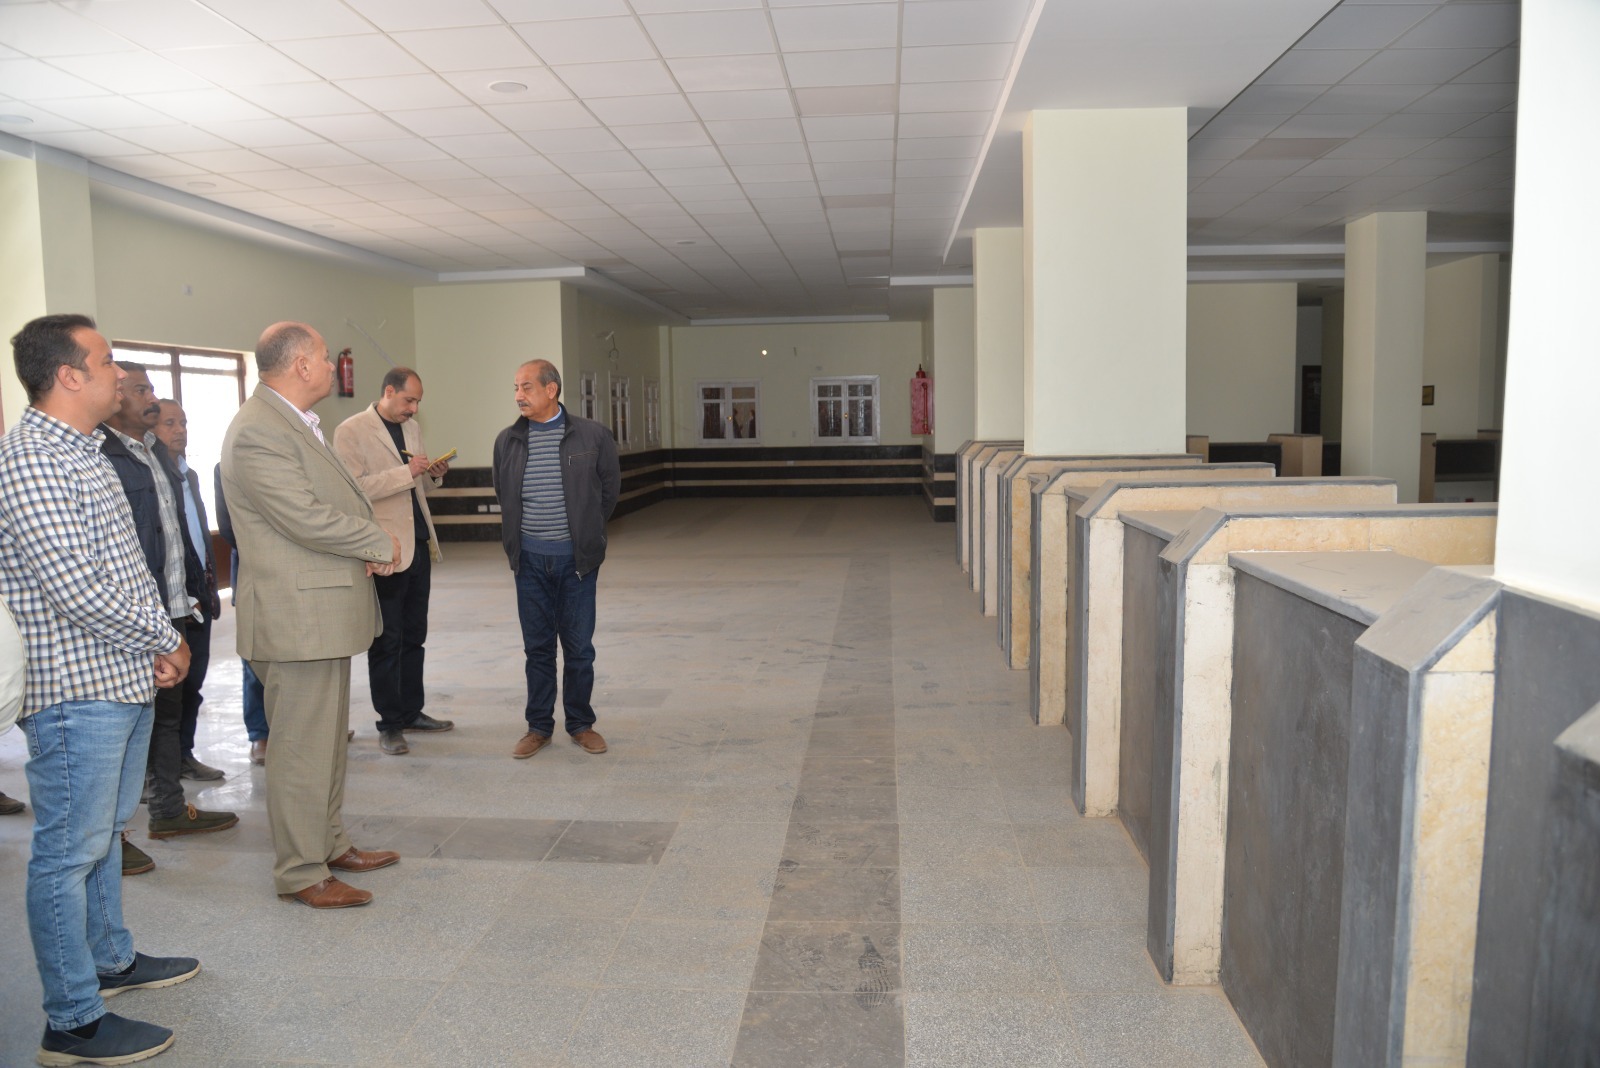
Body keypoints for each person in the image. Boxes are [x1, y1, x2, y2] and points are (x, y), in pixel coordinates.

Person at [0, 313, 199, 1066]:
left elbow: (126, 568)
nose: (121, 374)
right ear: (69, 374)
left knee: (102, 837)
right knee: (67, 852)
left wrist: (156, 642)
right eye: (108, 360)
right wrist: (162, 639)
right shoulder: (31, 459)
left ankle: (111, 961)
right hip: (74, 690)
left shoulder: (86, 449)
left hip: (117, 674)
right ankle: (73, 1020)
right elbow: (75, 586)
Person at [220, 321, 402, 909]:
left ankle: (328, 844)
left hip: (319, 612)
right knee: (300, 750)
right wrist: (376, 541)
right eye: (324, 358)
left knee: (324, 744)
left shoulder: (293, 422)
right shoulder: (258, 430)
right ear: (300, 364)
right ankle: (301, 871)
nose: (331, 367)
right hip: (295, 617)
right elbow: (301, 515)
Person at [100, 367, 237, 853]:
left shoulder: (154, 453)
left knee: (166, 716)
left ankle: (168, 809)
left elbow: (175, 531)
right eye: (141, 391)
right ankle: (108, 839)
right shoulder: (103, 456)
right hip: (134, 614)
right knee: (123, 724)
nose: (152, 400)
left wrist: (192, 592)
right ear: (116, 397)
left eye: (152, 389)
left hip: (172, 607)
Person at [491, 359, 620, 760]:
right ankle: (538, 728)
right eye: (516, 388)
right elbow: (504, 493)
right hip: (529, 562)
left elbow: (609, 492)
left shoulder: (593, 436)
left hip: (576, 563)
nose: (518, 395)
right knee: (538, 650)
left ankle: (581, 724)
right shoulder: (508, 440)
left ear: (551, 390)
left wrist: (586, 532)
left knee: (579, 649)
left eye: (526, 387)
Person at [332, 368, 453, 756]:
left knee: (415, 634)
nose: (414, 409)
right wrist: (406, 472)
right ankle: (389, 723)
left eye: (418, 402)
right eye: (408, 400)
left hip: (419, 544)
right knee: (387, 639)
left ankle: (411, 711)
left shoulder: (411, 428)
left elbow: (416, 484)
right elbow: (353, 489)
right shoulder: (351, 431)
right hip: (385, 549)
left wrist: (432, 475)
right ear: (388, 391)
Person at [152, 400, 225, 781]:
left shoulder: (189, 474)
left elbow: (197, 535)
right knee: (169, 690)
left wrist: (208, 586)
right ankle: (158, 769)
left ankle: (184, 754)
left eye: (183, 422)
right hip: (172, 600)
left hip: (199, 594)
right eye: (169, 423)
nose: (180, 430)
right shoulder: (149, 476)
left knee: (193, 681)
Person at [212, 465, 269, 766]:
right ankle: (260, 733)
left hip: (300, 574)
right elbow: (228, 527)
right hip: (253, 571)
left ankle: (308, 725)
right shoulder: (228, 466)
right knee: (255, 654)